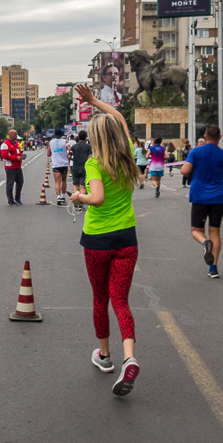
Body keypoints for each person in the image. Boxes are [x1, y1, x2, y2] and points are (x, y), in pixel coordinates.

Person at [69, 84, 140, 396]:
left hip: (98, 241)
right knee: (121, 300)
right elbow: (119, 117)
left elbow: (95, 199)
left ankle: (106, 357)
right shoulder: (126, 152)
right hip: (127, 239)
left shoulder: (94, 163)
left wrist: (77, 196)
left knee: (101, 298)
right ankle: (130, 358)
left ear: (95, 139)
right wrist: (95, 102)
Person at [180, 124, 223, 279]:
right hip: (218, 197)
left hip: (199, 196)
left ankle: (205, 243)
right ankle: (213, 268)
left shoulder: (196, 152)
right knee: (215, 231)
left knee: (196, 230)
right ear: (220, 137)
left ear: (205, 136)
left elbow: (185, 171)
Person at [0, 128, 25, 205]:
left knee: (20, 182)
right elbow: (4, 155)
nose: (16, 136)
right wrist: (15, 158)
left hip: (18, 166)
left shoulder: (16, 143)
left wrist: (21, 156)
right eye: (15, 134)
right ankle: (10, 200)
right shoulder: (5, 144)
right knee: (10, 184)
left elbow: (18, 152)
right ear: (10, 135)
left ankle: (18, 199)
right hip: (10, 166)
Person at [47, 128, 70, 204]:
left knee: (57, 182)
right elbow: (70, 150)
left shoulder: (51, 142)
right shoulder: (65, 141)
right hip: (64, 164)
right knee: (63, 180)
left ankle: (58, 197)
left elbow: (48, 154)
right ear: (61, 134)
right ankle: (63, 197)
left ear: (54, 134)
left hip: (56, 164)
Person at [69, 130, 91, 197]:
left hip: (75, 167)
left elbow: (69, 156)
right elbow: (91, 157)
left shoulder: (74, 146)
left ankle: (76, 201)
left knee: (76, 185)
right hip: (84, 168)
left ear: (78, 137)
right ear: (86, 137)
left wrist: (73, 159)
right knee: (82, 186)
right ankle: (82, 201)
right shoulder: (89, 147)